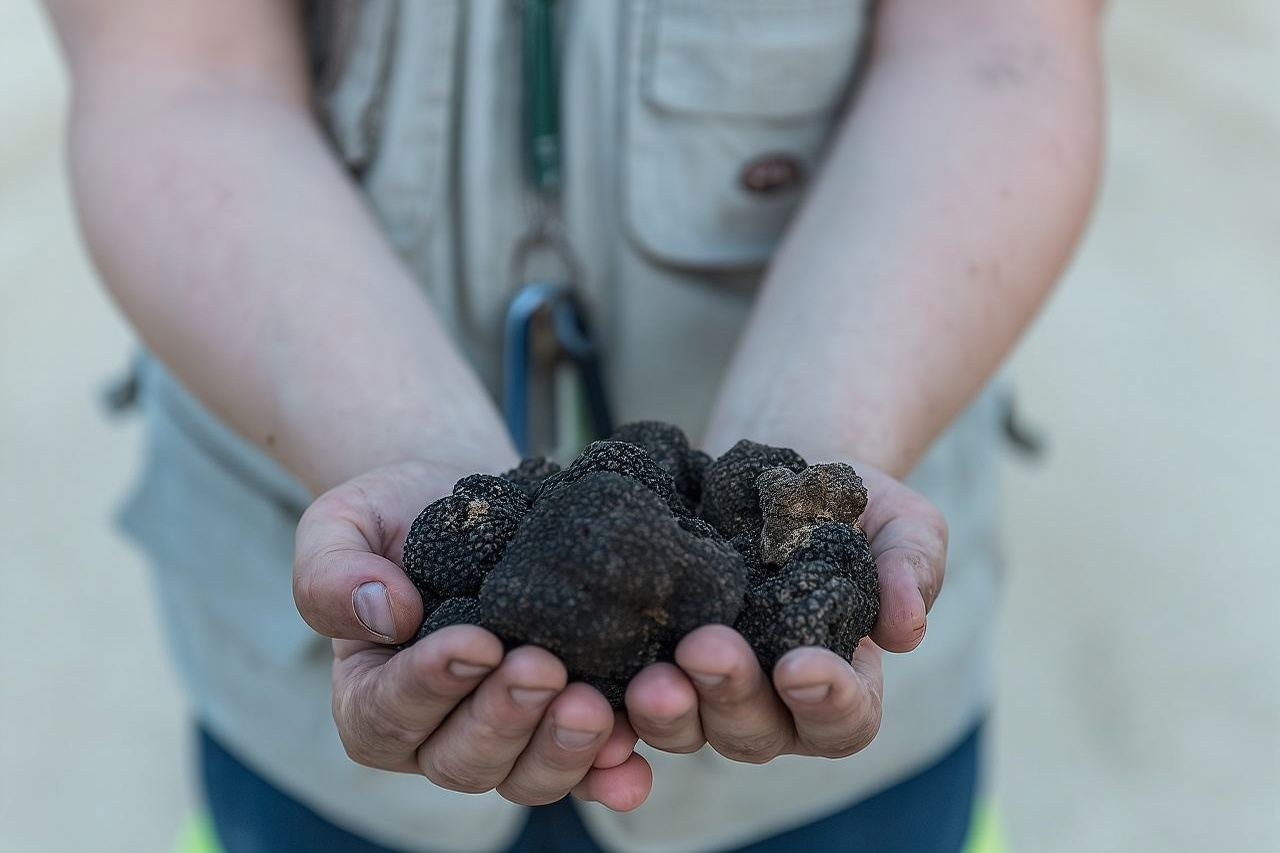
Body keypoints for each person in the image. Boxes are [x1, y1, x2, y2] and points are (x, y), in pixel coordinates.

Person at [45, 0, 1103, 850]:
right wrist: (399, 447)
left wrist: (818, 443)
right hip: (314, 685)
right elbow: (181, 72)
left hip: (833, 779)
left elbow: (991, 44)